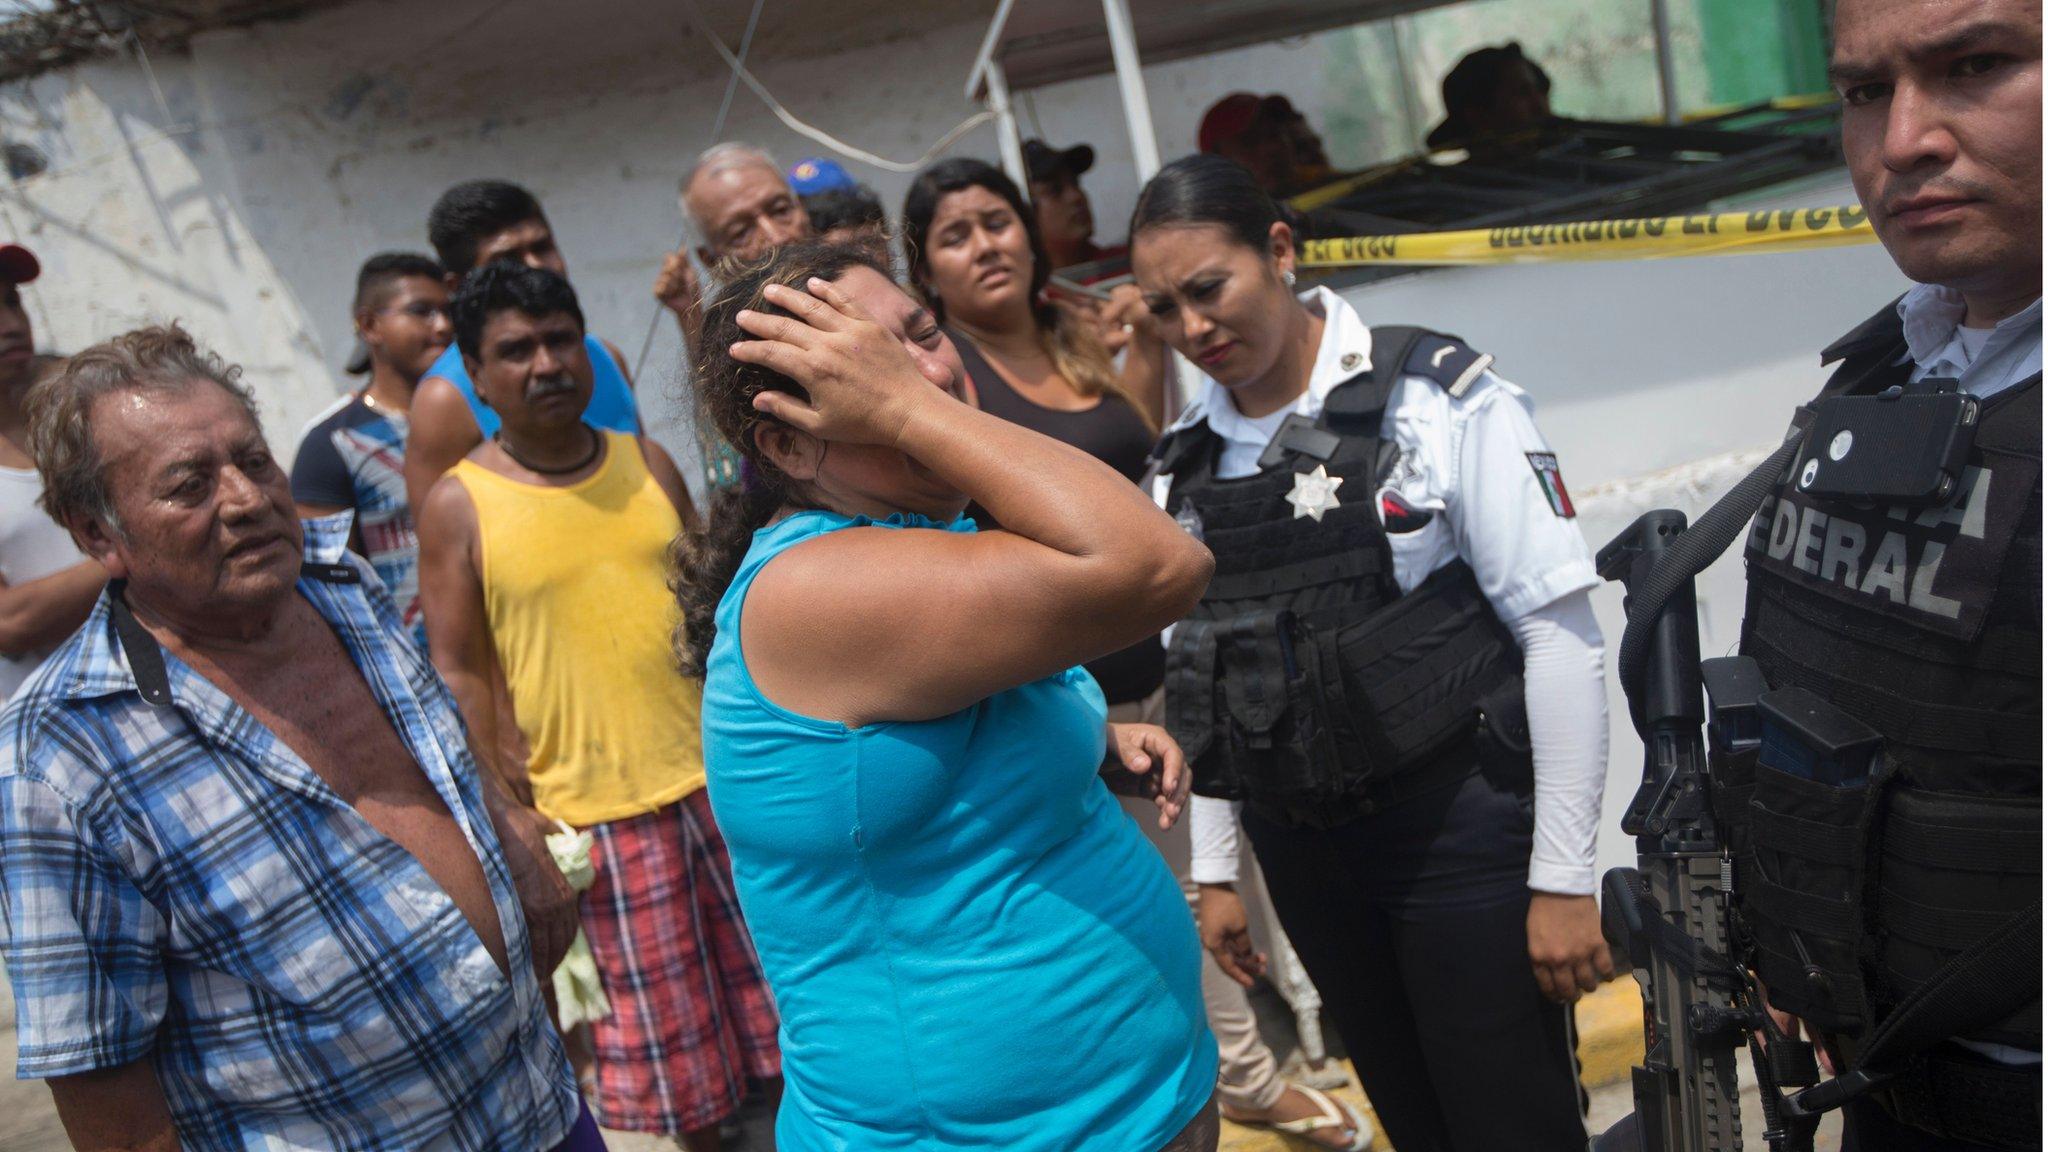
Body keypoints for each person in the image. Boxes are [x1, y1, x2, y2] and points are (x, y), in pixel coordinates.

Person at [0, 325, 598, 1152]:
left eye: (253, 461)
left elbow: (437, 738)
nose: (247, 499)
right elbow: (113, 1109)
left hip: (538, 1108)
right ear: (98, 534)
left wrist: (508, 827)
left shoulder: (338, 582)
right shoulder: (61, 759)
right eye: (189, 486)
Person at [680, 239, 1219, 1150]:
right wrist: (907, 406)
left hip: (1148, 1093)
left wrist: (1084, 740)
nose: (927, 369)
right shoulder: (814, 589)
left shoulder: (919, 530)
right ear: (786, 445)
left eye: (922, 336)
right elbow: (1161, 565)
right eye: (870, 366)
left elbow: (933, 738)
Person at [1131, 154, 1611, 1152]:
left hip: (1454, 835)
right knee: (1411, 1119)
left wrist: (1564, 878)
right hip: (1304, 849)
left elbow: (1557, 636)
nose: (1191, 330)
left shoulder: (1433, 397)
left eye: (1207, 290)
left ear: (1277, 251)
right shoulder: (1183, 462)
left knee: (1512, 1123)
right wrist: (1215, 875)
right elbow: (1202, 682)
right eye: (1162, 309)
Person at [903, 156, 1365, 1147]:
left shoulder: (1079, 339)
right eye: (954, 235)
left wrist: (1142, 354)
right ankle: (1245, 1077)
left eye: (996, 221)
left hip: (1184, 666)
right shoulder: (952, 386)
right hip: (1092, 700)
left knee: (1247, 883)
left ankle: (1295, 1046)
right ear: (925, 272)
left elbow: (1150, 474)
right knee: (1179, 899)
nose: (985, 244)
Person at [1725, 0, 2041, 1147]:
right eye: (1864, 91)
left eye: (1976, 65)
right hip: (1886, 1067)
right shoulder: (1887, 372)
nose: (1901, 139)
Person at [416, 264, 778, 1150]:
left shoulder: (646, 464)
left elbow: (716, 612)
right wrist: (509, 814)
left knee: (783, 1040)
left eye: (558, 339)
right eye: (514, 350)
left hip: (723, 792)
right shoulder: (459, 504)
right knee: (682, 1086)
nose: (545, 364)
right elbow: (456, 673)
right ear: (476, 372)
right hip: (598, 830)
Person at [404, 180, 641, 522]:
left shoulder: (604, 357)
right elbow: (442, 544)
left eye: (542, 247)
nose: (536, 266)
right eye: (508, 259)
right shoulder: (444, 398)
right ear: (458, 285)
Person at [292, 252, 452, 651]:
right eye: (422, 311)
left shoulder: (487, 417)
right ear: (369, 325)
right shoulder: (332, 443)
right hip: (419, 672)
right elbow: (332, 589)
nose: (444, 326)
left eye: (449, 312)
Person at [653, 142, 817, 491]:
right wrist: (690, 315)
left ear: (801, 209)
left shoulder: (868, 293)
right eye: (742, 232)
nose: (776, 237)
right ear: (711, 259)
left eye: (780, 209)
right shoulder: (737, 355)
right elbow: (728, 479)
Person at [0, 245, 103, 700]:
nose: (9, 324)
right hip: (58, 722)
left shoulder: (95, 394)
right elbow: (11, 623)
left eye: (10, 301)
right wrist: (136, 553)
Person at [1197, 93, 1342, 198]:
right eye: (1249, 141)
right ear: (1217, 164)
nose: (1272, 148)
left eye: (1275, 134)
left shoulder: (1331, 187)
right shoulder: (1214, 224)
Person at [1423, 43, 1557, 152]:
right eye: (1521, 93)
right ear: (1478, 116)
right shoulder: (1450, 184)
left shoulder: (1569, 167)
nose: (1540, 105)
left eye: (1540, 90)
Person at [1024, 139, 1122, 273]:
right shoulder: (1024, 291)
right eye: (1055, 190)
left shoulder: (1124, 266)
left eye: (1075, 183)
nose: (1076, 196)